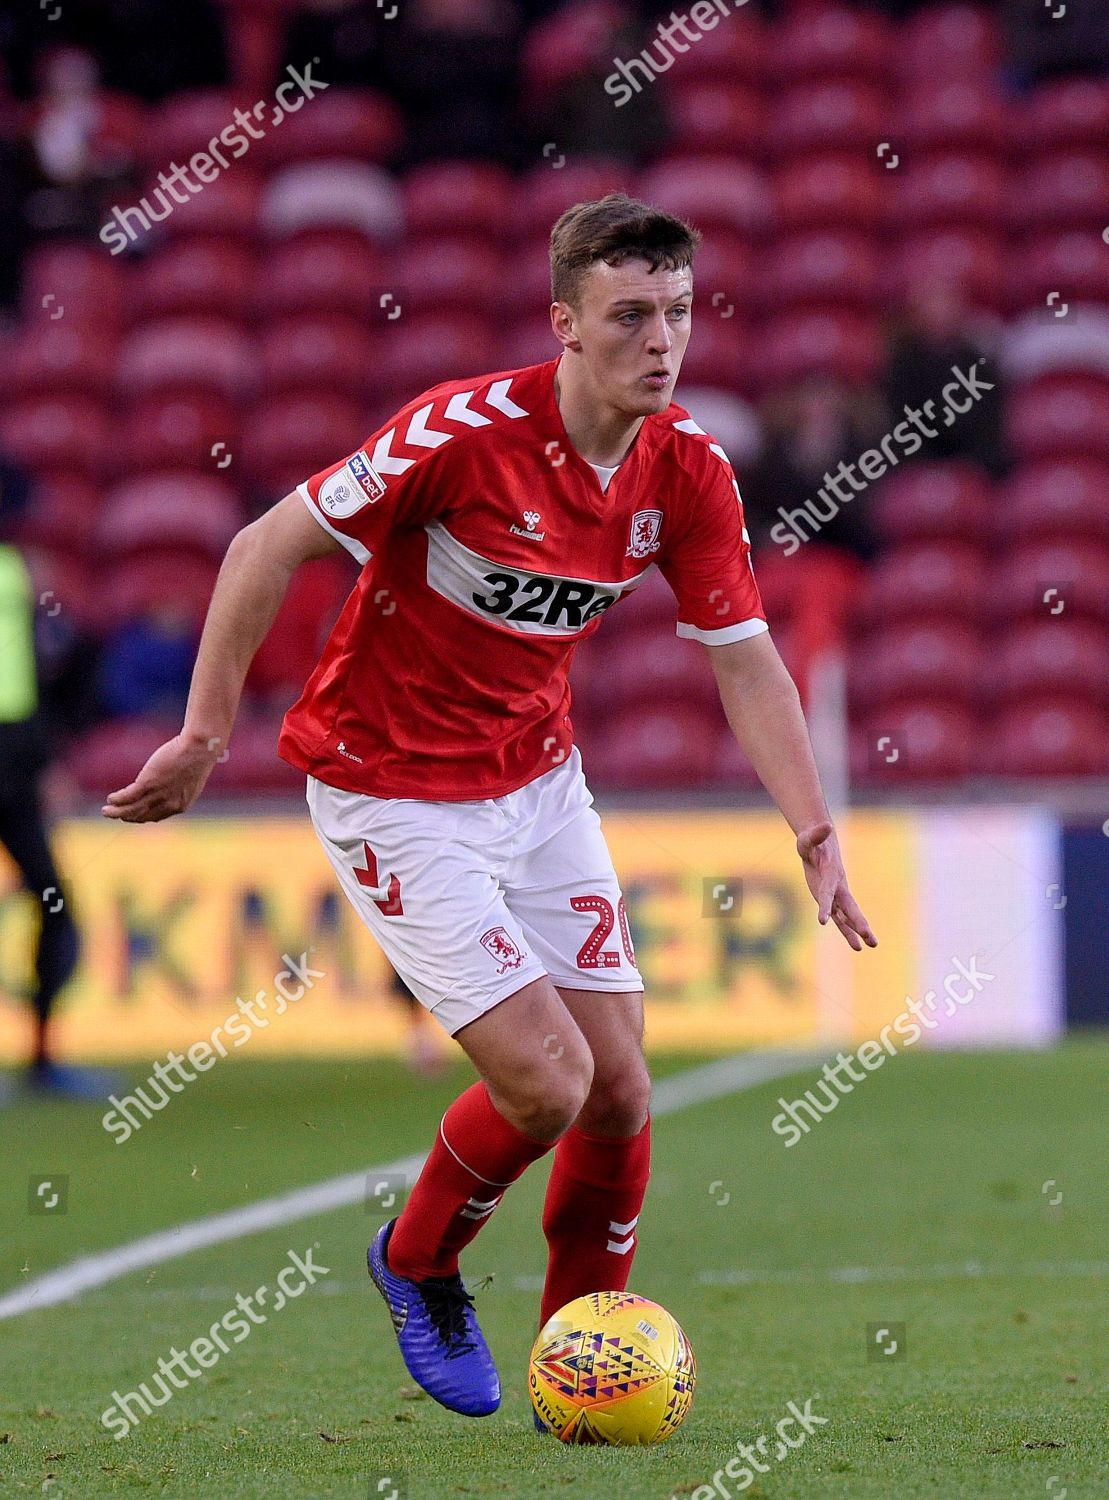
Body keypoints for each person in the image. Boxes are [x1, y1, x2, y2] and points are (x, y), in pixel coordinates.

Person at [103, 193, 876, 1419]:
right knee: (549, 1084)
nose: (661, 342)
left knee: (622, 1086)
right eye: (630, 316)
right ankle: (415, 1260)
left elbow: (743, 655)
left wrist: (812, 829)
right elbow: (262, 543)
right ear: (563, 324)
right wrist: (204, 734)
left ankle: (582, 1359)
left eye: (676, 313)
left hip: (535, 779)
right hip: (390, 786)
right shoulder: (461, 435)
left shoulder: (686, 469)